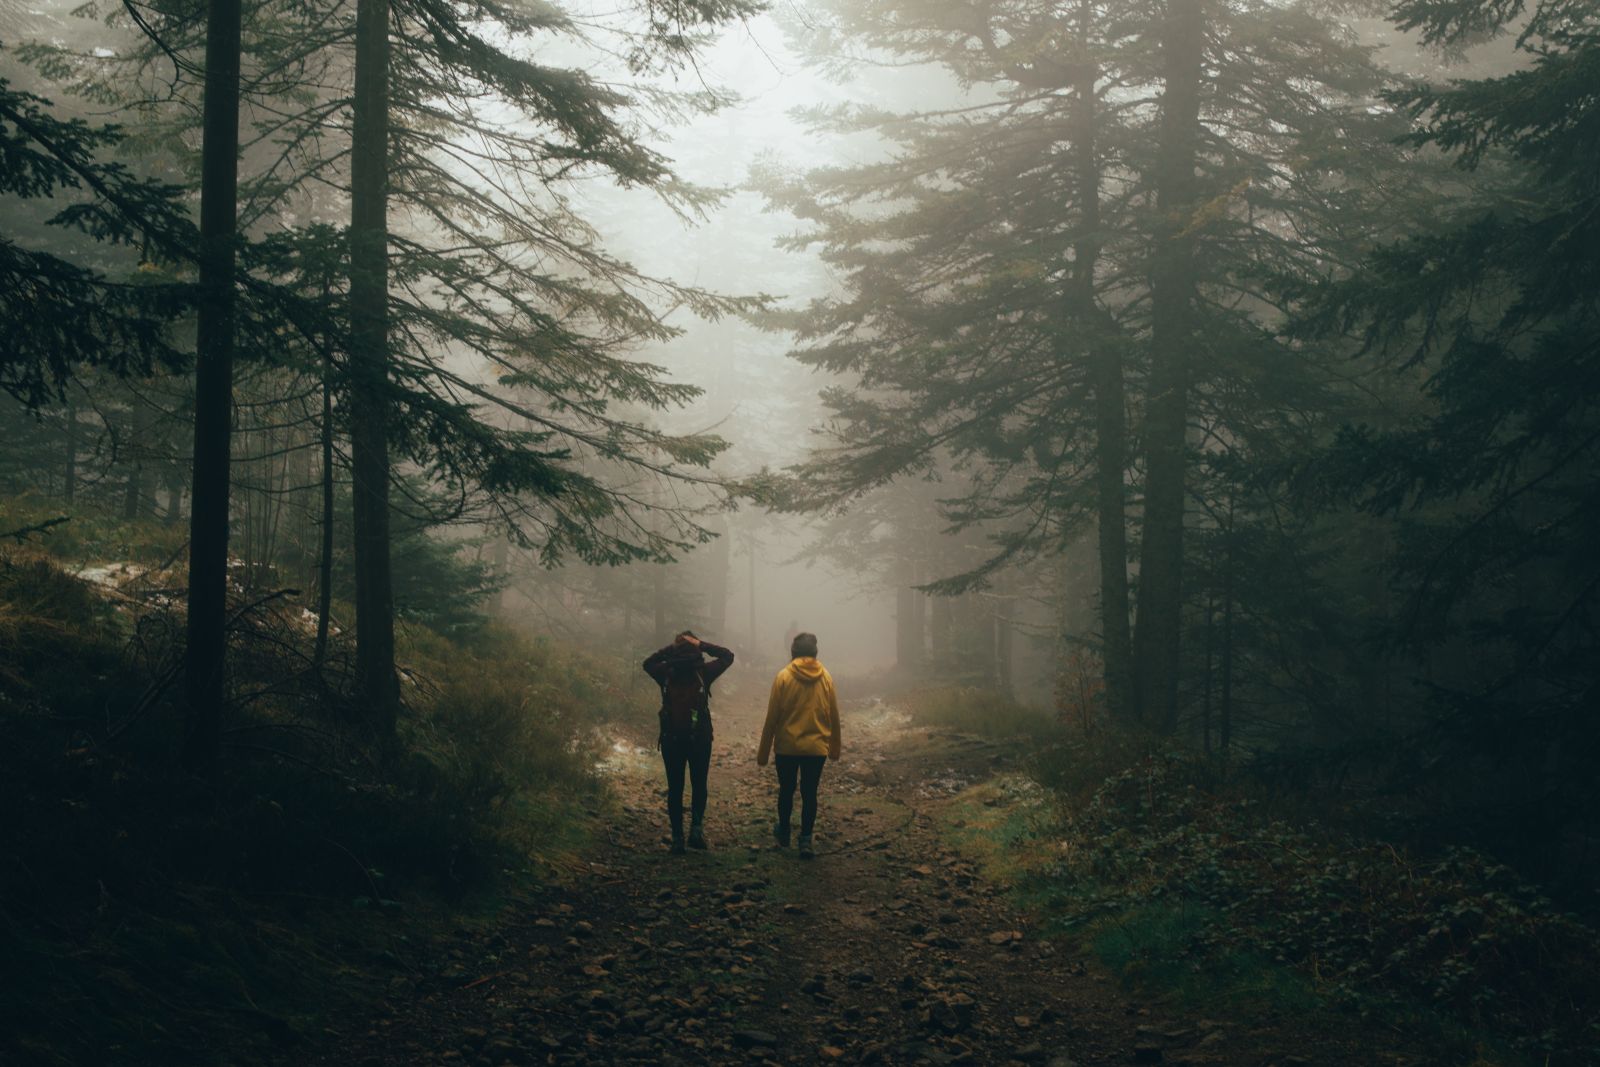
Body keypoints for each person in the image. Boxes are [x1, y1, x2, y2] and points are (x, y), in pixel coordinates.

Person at [643, 630, 735, 854]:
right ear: (695, 648)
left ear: (675, 648)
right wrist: (701, 644)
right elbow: (727, 656)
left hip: (671, 739)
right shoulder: (703, 671)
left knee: (675, 788)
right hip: (700, 739)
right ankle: (696, 830)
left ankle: (677, 838)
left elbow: (647, 663)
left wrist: (671, 649)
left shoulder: (665, 671)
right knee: (699, 783)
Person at [756, 632, 841, 859]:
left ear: (793, 652)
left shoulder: (783, 677)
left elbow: (772, 716)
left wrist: (763, 752)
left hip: (787, 747)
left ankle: (784, 832)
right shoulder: (826, 678)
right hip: (816, 749)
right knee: (809, 792)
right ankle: (805, 840)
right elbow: (834, 715)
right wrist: (834, 748)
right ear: (815, 653)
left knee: (786, 789)